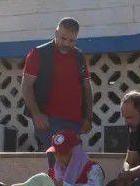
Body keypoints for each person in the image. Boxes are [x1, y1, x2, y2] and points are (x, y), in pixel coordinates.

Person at [22, 17, 93, 150]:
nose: (66, 43)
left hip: (75, 121)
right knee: (59, 160)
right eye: (63, 38)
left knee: (74, 164)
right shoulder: (38, 53)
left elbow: (86, 87)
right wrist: (36, 114)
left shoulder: (79, 56)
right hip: (49, 121)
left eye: (71, 40)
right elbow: (26, 86)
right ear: (55, 33)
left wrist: (88, 117)